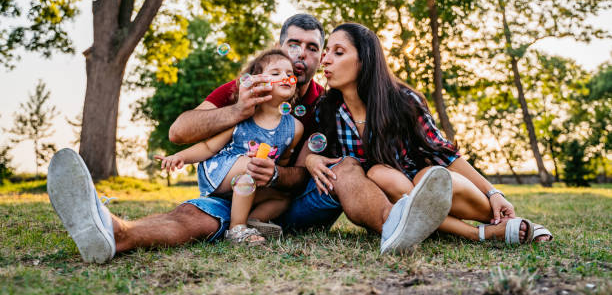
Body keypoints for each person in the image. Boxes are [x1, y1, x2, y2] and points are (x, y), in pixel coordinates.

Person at [47, 14, 452, 264]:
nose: (302, 55)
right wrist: (238, 111)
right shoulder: (249, 87)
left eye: (314, 48)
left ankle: (395, 226)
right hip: (232, 196)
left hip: (294, 202)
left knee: (345, 170)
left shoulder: (326, 102)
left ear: (321, 56)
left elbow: (326, 164)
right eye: (293, 43)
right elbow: (179, 132)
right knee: (192, 216)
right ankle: (113, 233)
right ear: (279, 46)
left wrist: (284, 170)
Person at [301, 22, 552, 245]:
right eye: (326, 52)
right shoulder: (328, 109)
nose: (325, 60)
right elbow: (322, 153)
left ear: (365, 59)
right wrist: (312, 158)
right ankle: (479, 234)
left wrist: (493, 192)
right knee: (379, 174)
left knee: (432, 177)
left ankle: (499, 218)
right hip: (389, 201)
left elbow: (444, 153)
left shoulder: (402, 100)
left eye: (338, 52)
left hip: (430, 185)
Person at [156, 49, 304, 245]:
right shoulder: (244, 115)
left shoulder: (294, 127)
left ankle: (254, 221)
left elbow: (282, 162)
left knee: (283, 196)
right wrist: (180, 157)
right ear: (256, 82)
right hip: (221, 172)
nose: (286, 77)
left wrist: (275, 174)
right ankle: (236, 229)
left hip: (250, 181)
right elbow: (209, 147)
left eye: (289, 74)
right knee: (250, 167)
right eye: (276, 73)